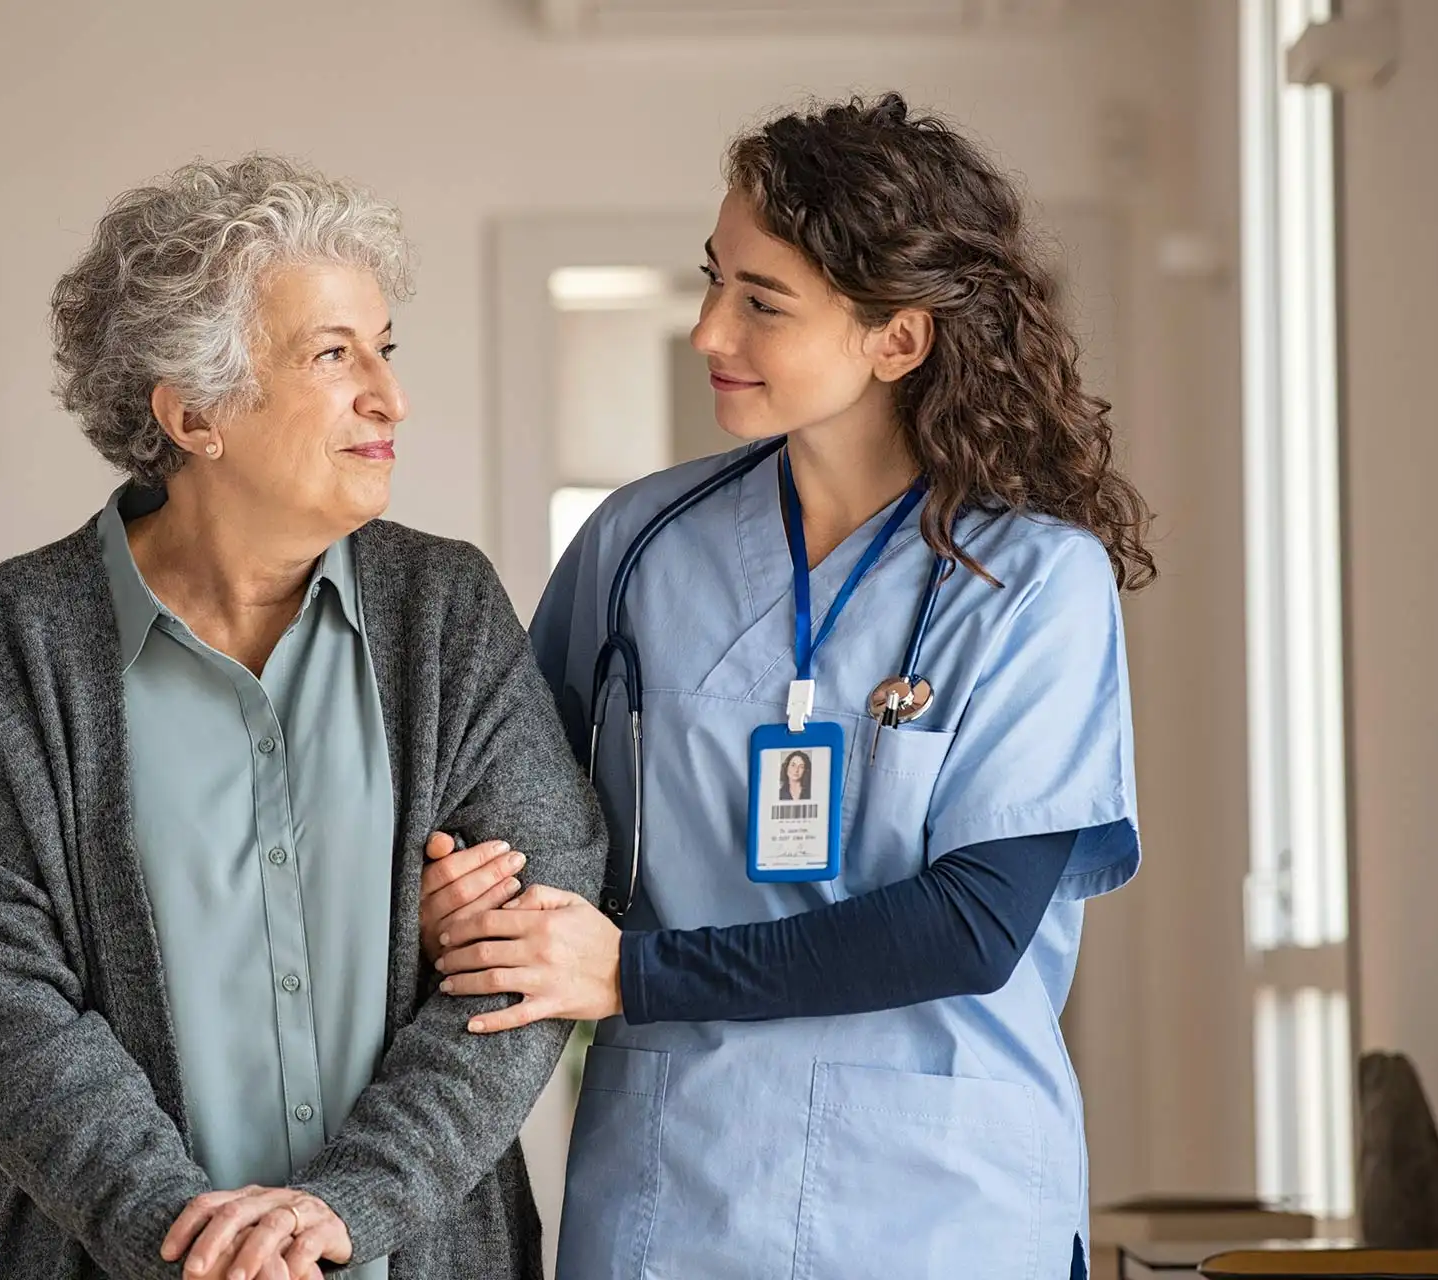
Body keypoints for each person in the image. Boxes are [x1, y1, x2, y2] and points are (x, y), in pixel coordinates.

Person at [420, 93, 1152, 1279]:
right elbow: (517, 815)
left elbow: (973, 922)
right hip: (675, 1195)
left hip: (940, 1212)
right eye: (715, 281)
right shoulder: (635, 546)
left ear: (896, 339)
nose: (710, 329)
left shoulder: (1032, 583)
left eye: (763, 302)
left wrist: (629, 972)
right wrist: (460, 896)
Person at [0, 154, 605, 1280]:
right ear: (193, 413)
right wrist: (194, 1237)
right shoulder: (22, 640)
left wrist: (348, 1206)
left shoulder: (446, 611)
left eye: (385, 346)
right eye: (335, 354)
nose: (390, 395)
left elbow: (534, 940)